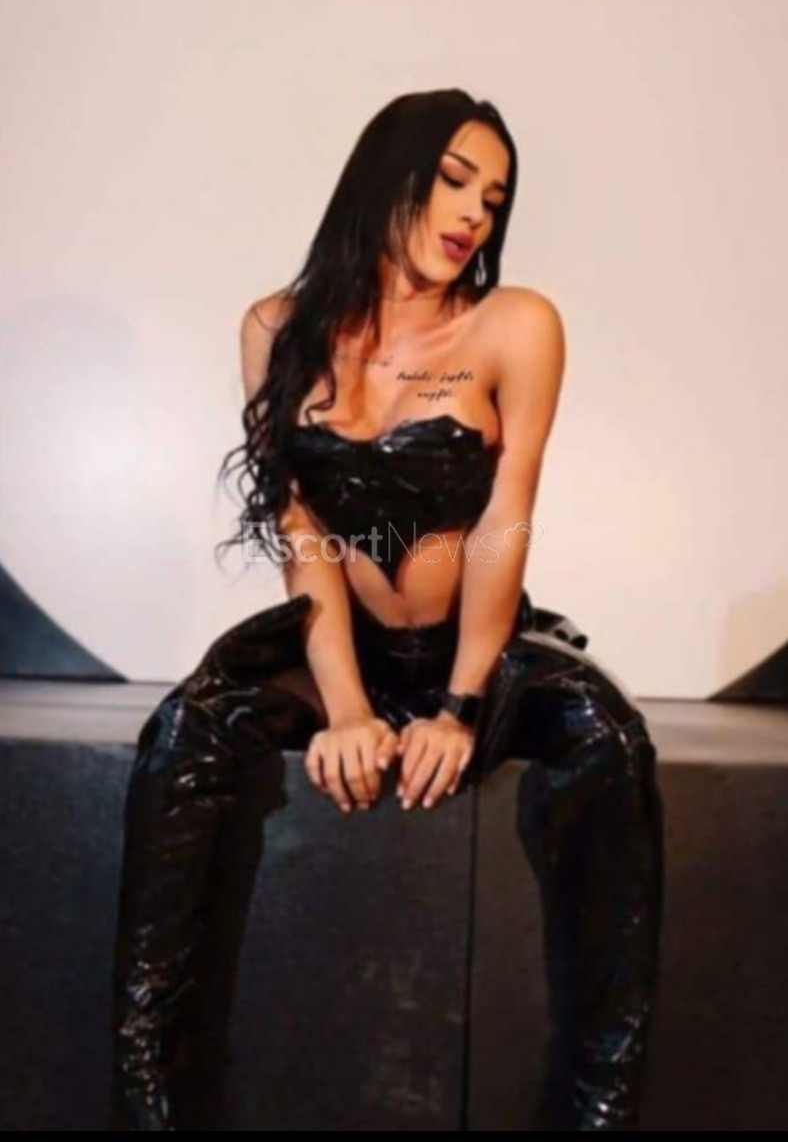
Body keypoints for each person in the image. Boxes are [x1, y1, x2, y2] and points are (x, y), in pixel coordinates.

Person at [110, 89, 664, 1131]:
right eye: (454, 180)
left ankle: (598, 1114)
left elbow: (505, 517)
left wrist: (459, 706)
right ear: (387, 173)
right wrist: (348, 709)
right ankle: (148, 1107)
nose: (473, 215)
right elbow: (302, 534)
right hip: (338, 650)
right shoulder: (276, 328)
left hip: (473, 649)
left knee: (609, 733)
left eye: (492, 199)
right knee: (184, 731)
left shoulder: (513, 325)